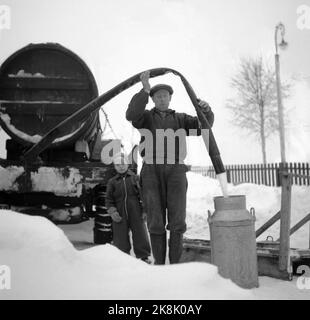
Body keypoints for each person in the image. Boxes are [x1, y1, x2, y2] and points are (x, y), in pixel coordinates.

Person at [126, 71, 214, 265]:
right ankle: (159, 264)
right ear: (153, 100)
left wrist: (206, 111)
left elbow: (203, 127)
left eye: (165, 95)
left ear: (170, 98)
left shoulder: (181, 119)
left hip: (176, 171)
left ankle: (175, 266)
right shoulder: (145, 119)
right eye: (158, 96)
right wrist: (144, 90)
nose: (162, 99)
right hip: (151, 171)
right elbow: (131, 114)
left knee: (177, 221)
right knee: (155, 221)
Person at [105, 152, 151, 263]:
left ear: (127, 164)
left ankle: (143, 256)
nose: (121, 167)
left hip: (135, 211)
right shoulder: (112, 182)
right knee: (120, 236)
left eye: (122, 164)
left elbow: (143, 195)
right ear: (114, 167)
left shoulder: (135, 178)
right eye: (117, 165)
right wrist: (112, 212)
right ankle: (123, 258)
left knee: (140, 234)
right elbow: (109, 200)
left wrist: (145, 211)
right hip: (120, 213)